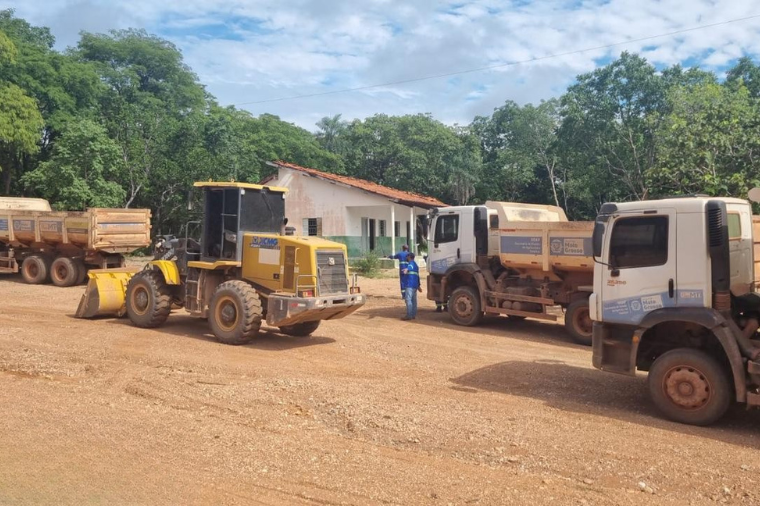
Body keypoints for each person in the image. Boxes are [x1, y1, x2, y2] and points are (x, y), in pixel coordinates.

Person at [401, 252, 422, 321]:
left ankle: (409, 315)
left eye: (407, 256)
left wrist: (406, 270)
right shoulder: (416, 265)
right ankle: (413, 315)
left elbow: (410, 268)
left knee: (408, 299)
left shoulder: (411, 264)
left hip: (409, 285)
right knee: (414, 300)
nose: (406, 257)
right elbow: (417, 276)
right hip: (414, 285)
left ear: (409, 257)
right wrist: (418, 286)